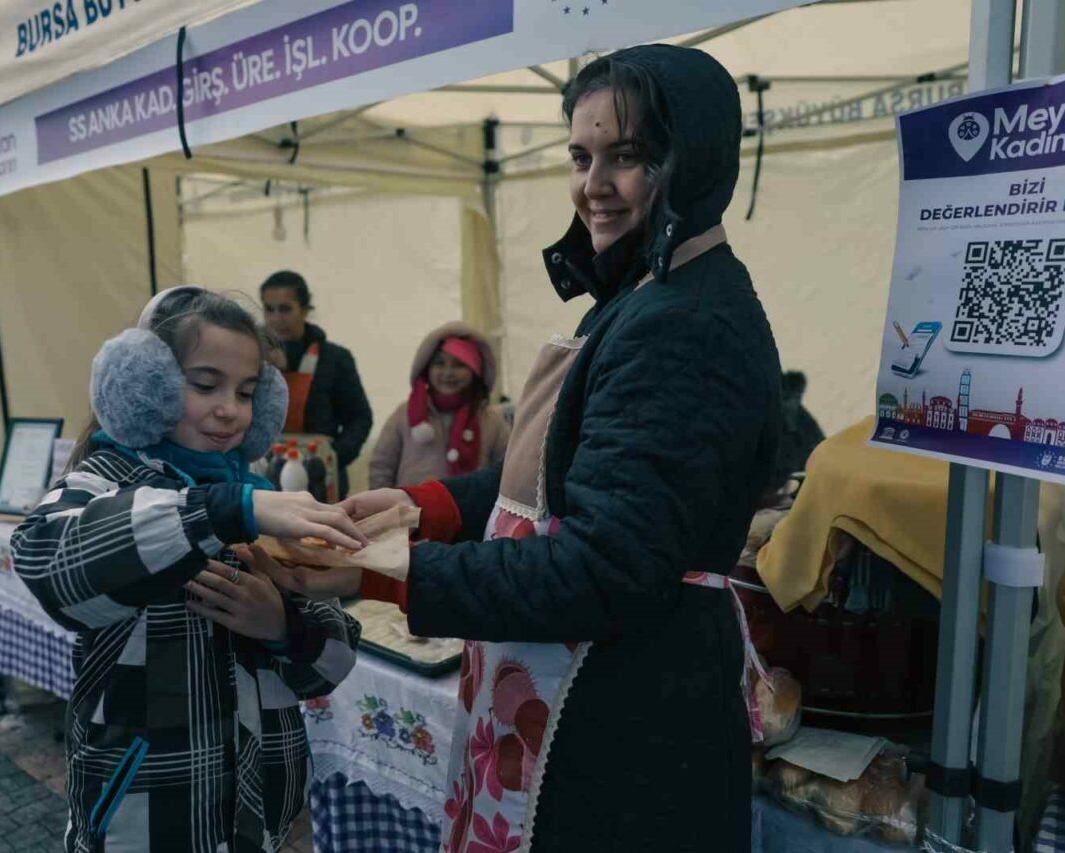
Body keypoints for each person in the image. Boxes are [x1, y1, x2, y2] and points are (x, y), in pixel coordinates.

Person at [258, 45, 781, 852]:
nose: (592, 184)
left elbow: (604, 568)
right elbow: (564, 475)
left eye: (626, 156)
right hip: (591, 689)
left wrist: (383, 570)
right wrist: (424, 508)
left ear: (693, 159)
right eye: (580, 157)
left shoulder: (686, 322)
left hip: (624, 717)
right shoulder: (646, 291)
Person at [11, 286, 363, 852]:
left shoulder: (257, 496)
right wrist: (223, 512)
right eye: (205, 385)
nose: (231, 410)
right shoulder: (104, 482)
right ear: (143, 384)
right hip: (145, 820)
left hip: (255, 820)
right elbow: (49, 563)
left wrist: (280, 625)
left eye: (246, 392)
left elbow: (335, 660)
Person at [260, 271, 372, 497]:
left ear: (304, 310)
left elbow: (360, 417)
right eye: (269, 309)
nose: (276, 318)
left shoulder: (335, 359)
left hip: (321, 473)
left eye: (285, 309)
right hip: (264, 470)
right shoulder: (251, 357)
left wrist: (334, 456)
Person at [368, 322, 510, 490]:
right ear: (426, 369)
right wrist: (385, 504)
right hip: (410, 506)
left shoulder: (491, 420)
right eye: (439, 363)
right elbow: (381, 467)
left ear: (475, 371)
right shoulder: (404, 414)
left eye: (459, 364)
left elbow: (507, 471)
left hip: (472, 507)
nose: (448, 373)